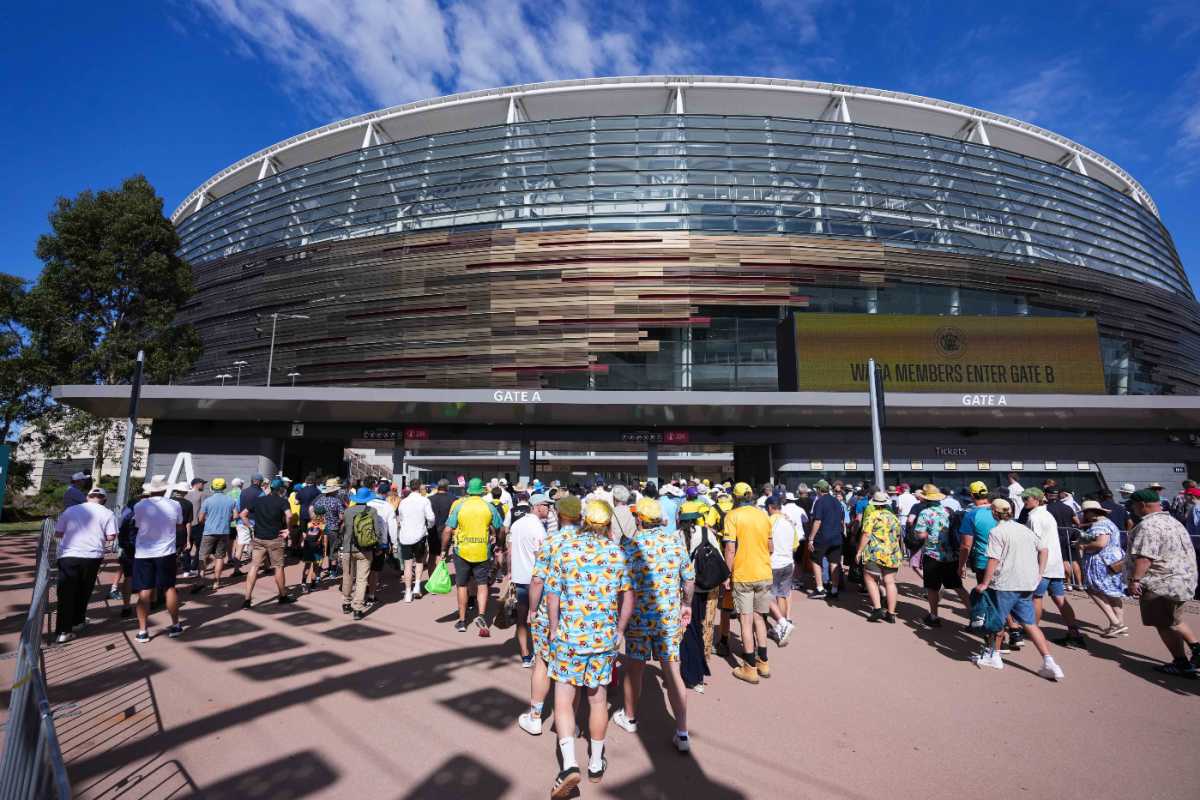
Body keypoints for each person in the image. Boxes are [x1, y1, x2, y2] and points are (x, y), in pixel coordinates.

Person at [544, 500, 633, 796]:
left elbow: (552, 594)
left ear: (584, 521)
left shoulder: (565, 550)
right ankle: (596, 763)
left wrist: (554, 628)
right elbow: (628, 599)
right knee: (598, 700)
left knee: (564, 701)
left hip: (569, 637)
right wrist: (619, 630)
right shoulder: (617, 554)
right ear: (608, 524)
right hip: (603, 639)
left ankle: (569, 764)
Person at [612, 498, 695, 753]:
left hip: (638, 618)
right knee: (673, 671)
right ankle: (682, 731)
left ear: (640, 520)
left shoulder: (630, 546)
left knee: (635, 668)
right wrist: (686, 603)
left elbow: (619, 584)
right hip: (667, 618)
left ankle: (630, 717)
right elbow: (689, 579)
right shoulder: (675, 542)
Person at [972, 499, 1066, 681]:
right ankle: (1049, 661)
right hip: (1027, 582)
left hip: (1006, 583)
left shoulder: (997, 531)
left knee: (996, 621)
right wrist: (1039, 572)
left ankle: (995, 655)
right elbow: (1044, 549)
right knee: (1030, 623)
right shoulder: (1024, 529)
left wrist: (985, 582)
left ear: (993, 512)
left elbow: (993, 559)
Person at [518, 495, 583, 737]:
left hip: (547, 612)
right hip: (579, 615)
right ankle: (569, 722)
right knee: (573, 671)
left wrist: (533, 610)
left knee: (542, 662)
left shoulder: (551, 541)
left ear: (559, 514)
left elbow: (537, 580)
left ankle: (535, 717)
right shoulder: (591, 543)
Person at [1125, 489, 1200, 677]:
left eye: (1133, 505)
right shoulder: (1172, 521)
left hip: (1161, 583)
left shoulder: (1148, 526)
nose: (1132, 509)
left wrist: (1135, 580)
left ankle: (1181, 662)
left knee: (1164, 623)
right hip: (1180, 580)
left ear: (1142, 505)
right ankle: (1197, 651)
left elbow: (1145, 558)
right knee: (1175, 620)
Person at [723, 482, 774, 684]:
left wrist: (727, 574)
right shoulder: (763, 515)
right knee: (760, 618)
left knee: (745, 620)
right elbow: (771, 546)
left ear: (735, 498)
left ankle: (749, 667)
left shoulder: (732, 516)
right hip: (763, 571)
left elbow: (729, 549)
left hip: (743, 573)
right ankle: (764, 662)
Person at [1022, 488, 1086, 648]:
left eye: (1026, 498)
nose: (1024, 501)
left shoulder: (1035, 517)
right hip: (1055, 563)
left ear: (1037, 499)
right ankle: (1074, 632)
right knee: (1060, 599)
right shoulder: (1046, 514)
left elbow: (1034, 543)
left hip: (1042, 566)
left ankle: (1033, 630)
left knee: (1035, 598)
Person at [53, 486, 117, 642]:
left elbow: (58, 533)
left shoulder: (70, 510)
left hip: (69, 554)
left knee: (66, 593)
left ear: (87, 497)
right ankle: (77, 621)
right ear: (104, 500)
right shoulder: (108, 513)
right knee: (84, 589)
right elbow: (111, 536)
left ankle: (63, 630)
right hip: (92, 555)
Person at [442, 477, 503, 635]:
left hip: (462, 550)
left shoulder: (459, 506)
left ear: (468, 490)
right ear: (482, 491)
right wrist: (499, 545)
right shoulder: (488, 506)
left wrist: (444, 549)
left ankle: (462, 621)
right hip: (482, 550)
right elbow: (501, 528)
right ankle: (481, 615)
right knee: (482, 584)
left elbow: (448, 530)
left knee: (461, 585)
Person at [131, 475, 185, 643]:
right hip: (166, 551)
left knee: (144, 591)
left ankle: (142, 630)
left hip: (144, 552)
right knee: (169, 588)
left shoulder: (140, 506)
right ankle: (175, 625)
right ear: (165, 489)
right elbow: (179, 524)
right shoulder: (175, 504)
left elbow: (138, 525)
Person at [913, 484, 970, 627]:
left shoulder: (925, 513)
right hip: (951, 555)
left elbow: (920, 534)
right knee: (958, 587)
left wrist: (927, 534)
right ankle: (975, 616)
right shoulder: (949, 511)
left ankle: (934, 616)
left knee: (932, 587)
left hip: (933, 554)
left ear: (926, 499)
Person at [240, 477, 297, 608]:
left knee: (254, 567)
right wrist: (288, 529)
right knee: (278, 567)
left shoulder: (258, 501)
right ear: (281, 489)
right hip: (275, 538)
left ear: (269, 488)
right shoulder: (283, 502)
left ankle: (247, 599)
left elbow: (243, 514)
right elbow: (289, 516)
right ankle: (282, 595)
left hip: (259, 538)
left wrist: (251, 526)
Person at [509, 493, 552, 667]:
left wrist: (509, 573)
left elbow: (509, 550)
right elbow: (540, 556)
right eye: (546, 505)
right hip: (536, 580)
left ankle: (526, 655)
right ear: (537, 506)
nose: (549, 508)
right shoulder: (538, 528)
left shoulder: (517, 524)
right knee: (540, 618)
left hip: (519, 578)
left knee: (521, 619)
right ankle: (539, 653)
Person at [1078, 500, 1127, 637]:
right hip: (1114, 560)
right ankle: (1118, 623)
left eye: (1085, 513)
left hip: (1101, 561)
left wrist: (1083, 546)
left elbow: (1100, 543)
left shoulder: (1100, 525)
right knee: (1113, 591)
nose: (1084, 516)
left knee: (1093, 589)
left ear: (1091, 513)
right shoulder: (1109, 523)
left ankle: (1115, 622)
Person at [856, 490, 902, 623]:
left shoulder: (872, 515)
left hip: (875, 552)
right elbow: (898, 536)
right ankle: (891, 613)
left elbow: (866, 535)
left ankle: (877, 609)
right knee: (890, 582)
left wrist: (859, 551)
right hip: (892, 553)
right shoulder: (894, 517)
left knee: (870, 579)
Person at [341, 487, 384, 620]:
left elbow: (344, 529)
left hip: (348, 548)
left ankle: (346, 603)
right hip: (365, 550)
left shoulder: (348, 511)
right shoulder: (372, 511)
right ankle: (358, 609)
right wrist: (379, 546)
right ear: (367, 499)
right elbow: (377, 532)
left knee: (347, 576)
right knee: (361, 579)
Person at [193, 477, 237, 595]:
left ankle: (201, 581)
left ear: (212, 487)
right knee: (220, 557)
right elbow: (236, 515)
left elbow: (200, 518)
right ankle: (216, 581)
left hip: (209, 531)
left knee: (203, 556)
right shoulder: (231, 500)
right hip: (224, 531)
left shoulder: (208, 500)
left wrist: (206, 522)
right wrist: (228, 519)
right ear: (224, 487)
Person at [767, 496, 800, 639]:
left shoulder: (769, 521)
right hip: (788, 563)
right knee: (782, 595)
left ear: (770, 508)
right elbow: (795, 545)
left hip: (773, 563)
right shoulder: (789, 521)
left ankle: (780, 624)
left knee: (767, 596)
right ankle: (781, 624)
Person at [397, 479, 435, 602]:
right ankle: (417, 586)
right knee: (419, 561)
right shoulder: (425, 500)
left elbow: (400, 518)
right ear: (419, 487)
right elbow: (431, 517)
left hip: (405, 536)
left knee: (408, 565)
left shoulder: (403, 502)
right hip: (420, 535)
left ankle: (407, 592)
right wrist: (428, 526)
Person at [808, 479, 845, 600]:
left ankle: (820, 588)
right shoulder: (837, 501)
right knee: (834, 562)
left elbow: (817, 520)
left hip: (823, 536)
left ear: (819, 490)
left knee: (815, 559)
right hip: (836, 536)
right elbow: (841, 519)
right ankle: (834, 589)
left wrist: (811, 538)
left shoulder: (820, 501)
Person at [366, 480, 398, 603]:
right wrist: (394, 543)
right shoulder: (388, 507)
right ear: (387, 493)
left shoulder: (368, 503)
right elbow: (393, 528)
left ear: (377, 491)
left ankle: (361, 591)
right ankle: (371, 595)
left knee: (365, 568)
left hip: (365, 540)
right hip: (381, 542)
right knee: (375, 570)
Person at [310, 478, 345, 579]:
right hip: (333, 529)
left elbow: (313, 511)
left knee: (321, 551)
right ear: (334, 490)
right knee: (333, 551)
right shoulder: (337, 501)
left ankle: (317, 574)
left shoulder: (320, 499)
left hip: (321, 528)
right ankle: (332, 571)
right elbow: (341, 517)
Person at [233, 473, 264, 568]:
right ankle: (260, 567)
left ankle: (236, 569)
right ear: (259, 482)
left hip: (241, 522)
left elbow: (237, 506)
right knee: (260, 546)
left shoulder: (243, 492)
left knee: (240, 546)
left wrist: (237, 517)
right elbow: (263, 509)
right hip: (255, 522)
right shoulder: (261, 493)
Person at [300, 508, 326, 592]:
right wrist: (324, 550)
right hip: (316, 548)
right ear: (323, 515)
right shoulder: (323, 525)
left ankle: (303, 584)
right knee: (315, 567)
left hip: (308, 547)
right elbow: (324, 539)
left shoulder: (309, 523)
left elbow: (305, 535)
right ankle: (313, 585)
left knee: (307, 566)